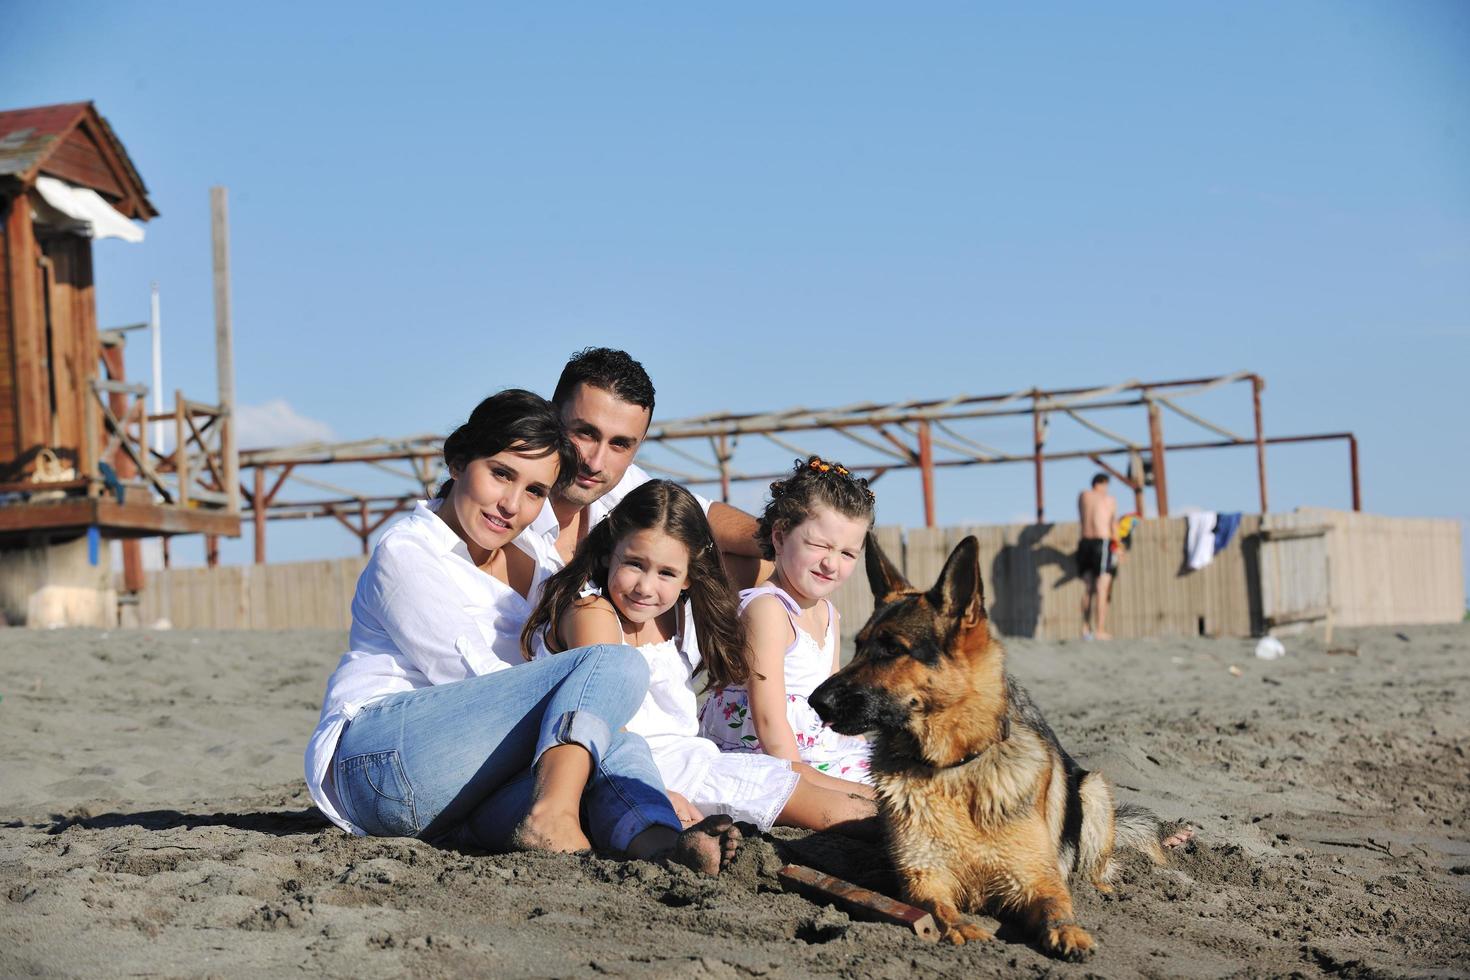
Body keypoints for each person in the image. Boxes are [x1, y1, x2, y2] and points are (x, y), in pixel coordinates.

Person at [303, 389, 738, 874]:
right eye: (501, 473)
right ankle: (552, 813)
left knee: (618, 747)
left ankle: (661, 844)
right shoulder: (408, 552)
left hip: (459, 797)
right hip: (382, 762)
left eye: (534, 491)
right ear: (458, 461)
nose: (511, 504)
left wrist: (640, 776)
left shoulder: (539, 561)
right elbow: (471, 677)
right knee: (611, 667)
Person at [524, 480, 879, 837]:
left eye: (666, 573)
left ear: (689, 576)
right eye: (634, 564)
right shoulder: (594, 613)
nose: (646, 587)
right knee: (826, 804)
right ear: (607, 554)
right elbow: (603, 721)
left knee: (848, 792)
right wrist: (656, 791)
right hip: (640, 772)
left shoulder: (676, 616)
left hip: (698, 759)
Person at [519, 348, 770, 586]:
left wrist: (783, 542)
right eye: (585, 434)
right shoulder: (501, 509)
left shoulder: (626, 488)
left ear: (637, 447)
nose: (595, 463)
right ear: (551, 416)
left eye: (619, 444)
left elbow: (703, 516)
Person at [698, 456, 876, 786]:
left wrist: (853, 743)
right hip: (768, 752)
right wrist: (803, 783)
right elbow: (768, 719)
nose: (831, 563)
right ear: (779, 537)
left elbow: (832, 692)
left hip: (816, 746)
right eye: (819, 545)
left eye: (847, 553)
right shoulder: (767, 609)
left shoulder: (828, 613)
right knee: (868, 796)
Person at [1077, 472, 1119, 640]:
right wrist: (1119, 547)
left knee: (1088, 589)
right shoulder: (1108, 500)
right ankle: (1100, 630)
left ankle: (1085, 628)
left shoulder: (1083, 496)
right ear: (1101, 483)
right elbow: (1113, 525)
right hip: (1102, 543)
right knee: (1102, 587)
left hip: (1084, 542)